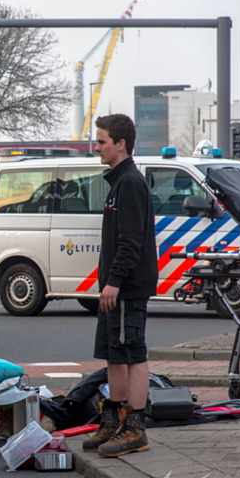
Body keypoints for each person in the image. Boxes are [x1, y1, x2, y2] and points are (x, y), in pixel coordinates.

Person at [83, 114, 157, 458]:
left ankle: (136, 427)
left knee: (132, 354)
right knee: (114, 354)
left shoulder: (130, 183)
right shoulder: (118, 181)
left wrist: (113, 283)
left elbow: (130, 242)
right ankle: (113, 420)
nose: (96, 147)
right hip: (115, 289)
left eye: (102, 142)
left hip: (126, 288)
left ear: (121, 144)